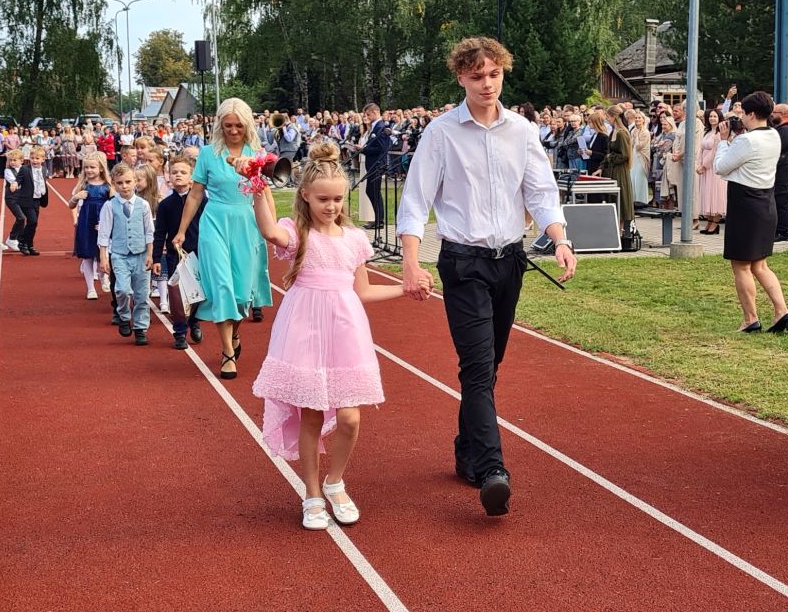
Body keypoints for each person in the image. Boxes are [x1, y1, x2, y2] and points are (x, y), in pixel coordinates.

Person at [396, 36, 576, 517]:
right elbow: (414, 201)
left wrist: (559, 238)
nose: (486, 83)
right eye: (476, 75)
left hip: (510, 262)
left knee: (487, 367)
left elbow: (540, 193)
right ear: (461, 77)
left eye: (493, 74)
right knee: (477, 369)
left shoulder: (522, 131)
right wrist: (411, 262)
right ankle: (494, 470)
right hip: (463, 263)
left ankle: (466, 450)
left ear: (503, 74)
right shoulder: (440, 133)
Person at [248, 140, 404, 530]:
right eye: (323, 199)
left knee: (350, 417)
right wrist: (256, 185)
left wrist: (406, 287)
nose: (331, 206)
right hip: (304, 326)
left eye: (337, 199)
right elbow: (268, 229)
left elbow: (364, 291)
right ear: (305, 196)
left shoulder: (354, 239)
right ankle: (312, 493)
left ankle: (336, 481)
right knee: (312, 414)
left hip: (345, 328)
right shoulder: (296, 232)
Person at [170, 98, 273, 380]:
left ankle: (235, 334)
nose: (233, 130)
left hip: (245, 223)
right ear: (220, 124)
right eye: (228, 125)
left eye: (238, 125)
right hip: (214, 222)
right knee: (222, 287)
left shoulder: (257, 152)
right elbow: (195, 194)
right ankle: (227, 351)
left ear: (247, 124)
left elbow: (264, 193)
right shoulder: (207, 153)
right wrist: (181, 230)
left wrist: (274, 230)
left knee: (241, 293)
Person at [713, 92, 788, 334]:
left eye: (742, 114)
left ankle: (750, 318)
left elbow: (720, 167)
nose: (740, 119)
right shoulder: (774, 135)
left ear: (750, 114)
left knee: (741, 265)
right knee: (760, 265)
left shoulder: (745, 141)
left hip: (745, 204)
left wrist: (724, 141)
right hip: (765, 201)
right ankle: (782, 312)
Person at [98, 163, 155, 346]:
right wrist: (103, 256)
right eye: (120, 183)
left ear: (135, 182)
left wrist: (150, 254)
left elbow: (149, 231)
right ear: (114, 184)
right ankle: (123, 315)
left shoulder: (143, 205)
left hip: (140, 254)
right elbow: (104, 233)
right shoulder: (110, 205)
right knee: (121, 289)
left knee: (142, 294)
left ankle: (140, 328)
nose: (125, 186)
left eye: (128, 182)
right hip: (120, 254)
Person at [153, 156, 204, 349]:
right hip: (176, 254)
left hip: (199, 252)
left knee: (199, 293)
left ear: (192, 177)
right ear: (169, 177)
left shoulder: (203, 201)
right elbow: (160, 233)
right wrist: (157, 257)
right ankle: (180, 332)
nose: (178, 176)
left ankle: (195, 321)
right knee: (177, 295)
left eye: (183, 172)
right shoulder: (166, 205)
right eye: (174, 172)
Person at [70, 154, 112, 299]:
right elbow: (71, 205)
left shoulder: (108, 186)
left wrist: (105, 223)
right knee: (87, 255)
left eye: (92, 167)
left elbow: (113, 206)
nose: (89, 170)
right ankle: (90, 288)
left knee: (102, 253)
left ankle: (103, 277)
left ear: (101, 168)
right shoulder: (83, 184)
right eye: (86, 167)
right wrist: (76, 197)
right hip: (86, 221)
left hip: (102, 221)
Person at [359, 103, 392, 230]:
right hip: (372, 164)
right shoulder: (375, 126)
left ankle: (379, 220)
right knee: (371, 191)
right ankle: (378, 219)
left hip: (377, 164)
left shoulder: (381, 127)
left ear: (375, 112)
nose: (366, 117)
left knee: (374, 191)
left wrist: (364, 149)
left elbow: (382, 148)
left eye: (368, 114)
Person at [695, 110, 727, 235]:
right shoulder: (707, 132)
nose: (712, 118)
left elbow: (714, 152)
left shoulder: (720, 134)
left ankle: (715, 223)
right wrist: (698, 164)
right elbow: (700, 149)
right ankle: (709, 221)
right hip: (705, 168)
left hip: (713, 168)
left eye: (715, 116)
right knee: (707, 194)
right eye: (710, 116)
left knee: (716, 194)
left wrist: (704, 165)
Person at [15, 146, 49, 257]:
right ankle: (22, 241)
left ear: (43, 159)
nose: (34, 160)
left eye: (37, 158)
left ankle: (29, 245)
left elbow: (42, 182)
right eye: (32, 158)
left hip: (37, 199)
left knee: (33, 224)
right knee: (32, 221)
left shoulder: (43, 169)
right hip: (26, 199)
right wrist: (15, 184)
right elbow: (18, 179)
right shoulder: (25, 169)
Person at [773, 104, 788, 241]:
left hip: (782, 168)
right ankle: (777, 229)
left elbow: (779, 147)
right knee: (776, 200)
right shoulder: (780, 128)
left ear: (782, 114)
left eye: (774, 112)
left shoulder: (787, 130)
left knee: (780, 200)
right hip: (778, 168)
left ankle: (783, 231)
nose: (772, 115)